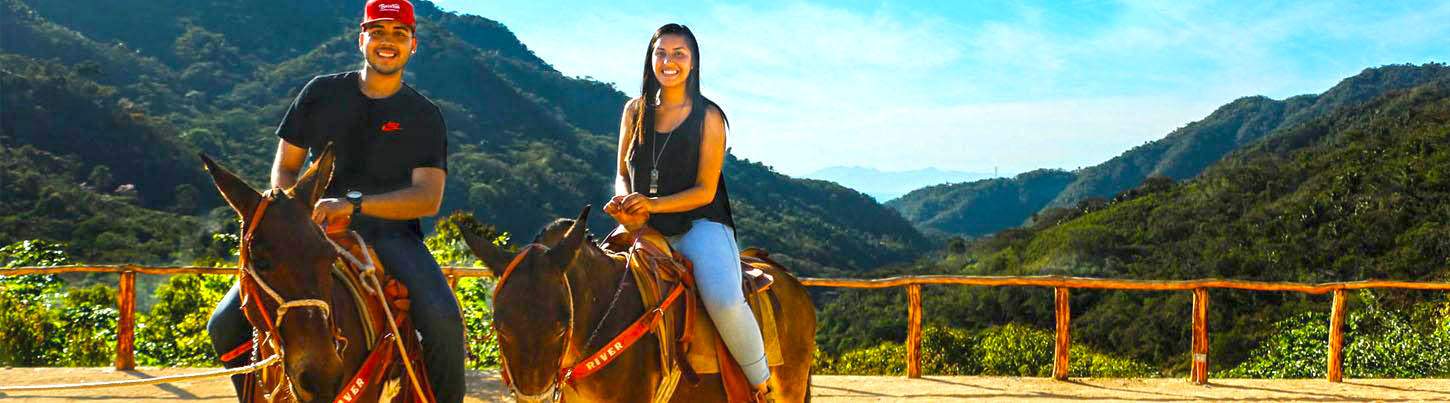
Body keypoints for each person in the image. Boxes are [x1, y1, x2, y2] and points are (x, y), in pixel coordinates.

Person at [205, 0, 464, 401]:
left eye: (399, 34)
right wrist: (296, 213)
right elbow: (286, 168)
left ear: (414, 44)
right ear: (361, 38)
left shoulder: (423, 115)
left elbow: (428, 197)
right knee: (224, 324)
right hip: (311, 233)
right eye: (377, 32)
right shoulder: (320, 93)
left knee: (445, 322)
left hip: (392, 236)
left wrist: (354, 205)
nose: (387, 42)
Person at [602, 23, 775, 401]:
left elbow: (705, 190)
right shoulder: (633, 111)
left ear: (694, 63)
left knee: (726, 301)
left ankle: (762, 385)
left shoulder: (709, 117)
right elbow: (620, 173)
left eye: (679, 53)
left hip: (700, 224)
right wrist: (623, 203)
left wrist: (651, 206)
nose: (669, 61)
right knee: (595, 284)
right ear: (650, 60)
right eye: (661, 53)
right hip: (641, 225)